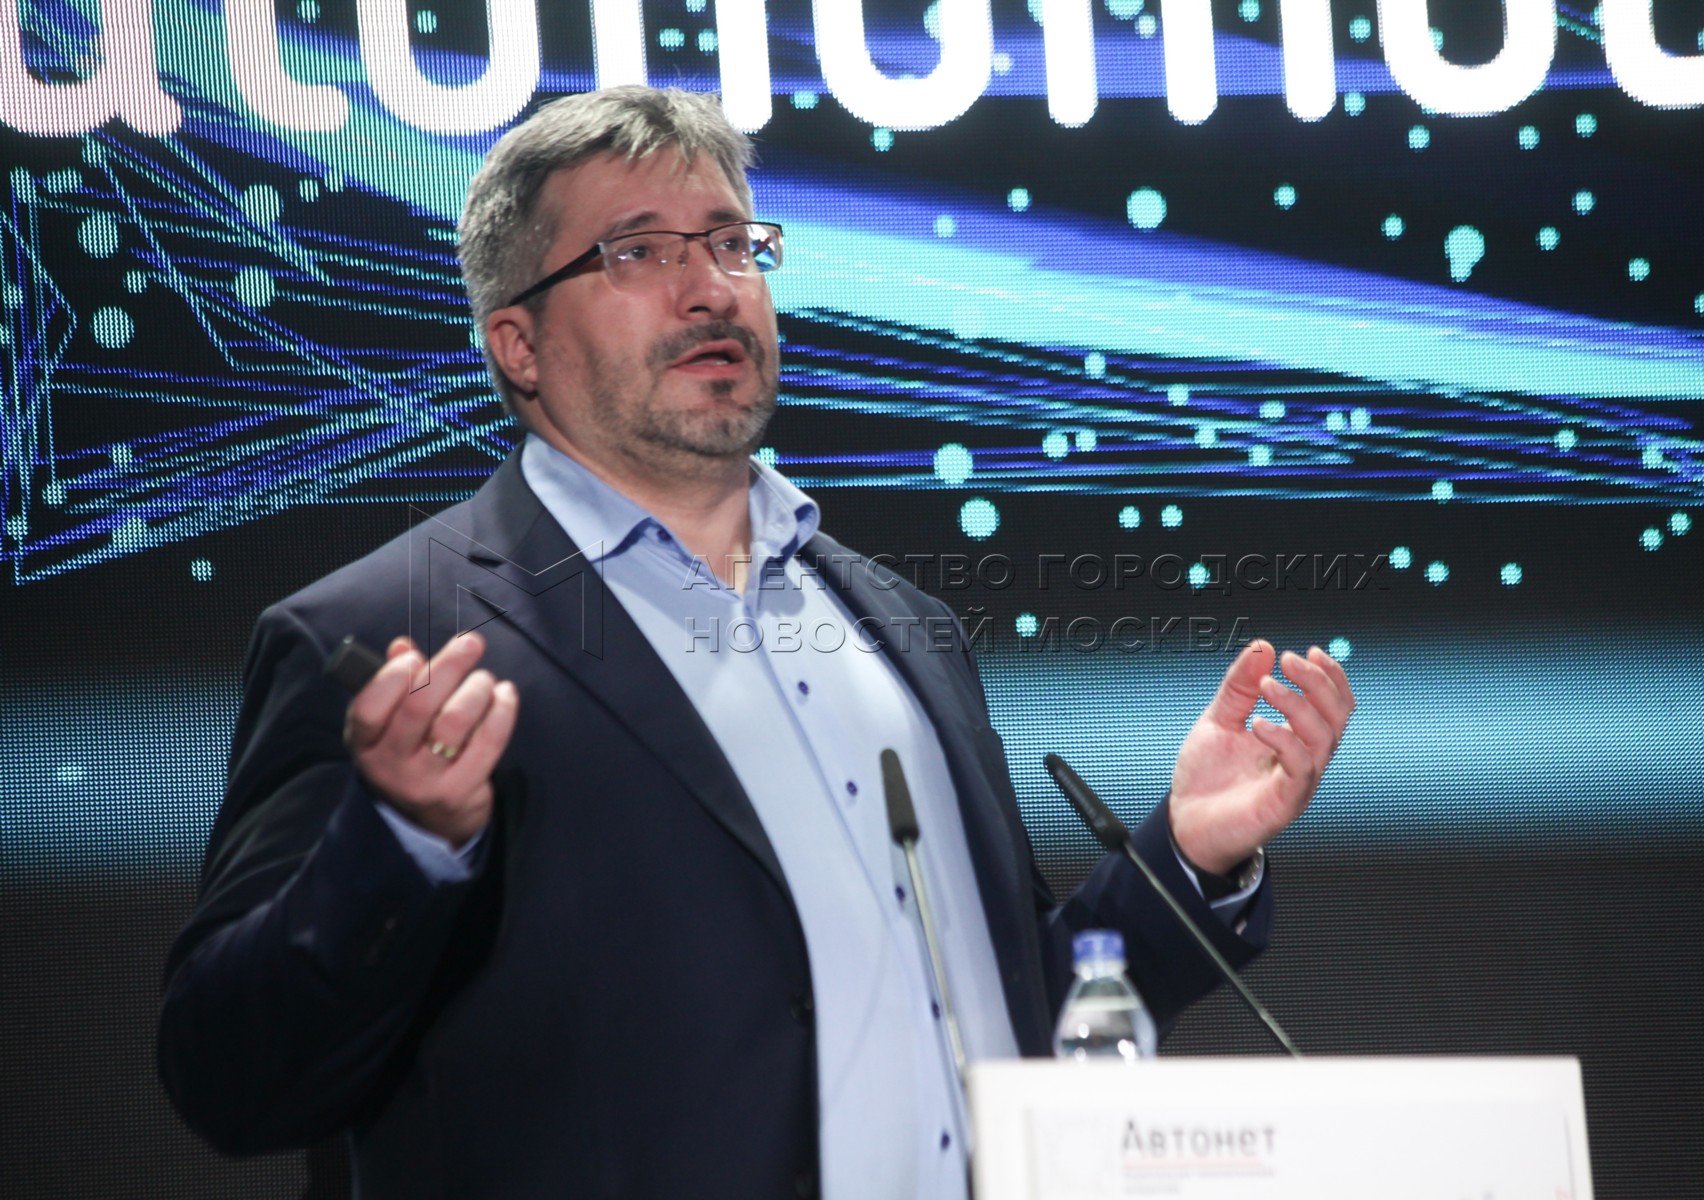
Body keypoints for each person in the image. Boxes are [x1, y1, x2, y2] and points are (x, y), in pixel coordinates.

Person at [159, 86, 1354, 1199]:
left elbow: (998, 1020)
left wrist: (1184, 860)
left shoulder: (903, 626)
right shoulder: (387, 634)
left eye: (733, 244)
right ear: (516, 345)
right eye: (638, 253)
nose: (710, 290)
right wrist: (402, 842)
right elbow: (235, 1080)